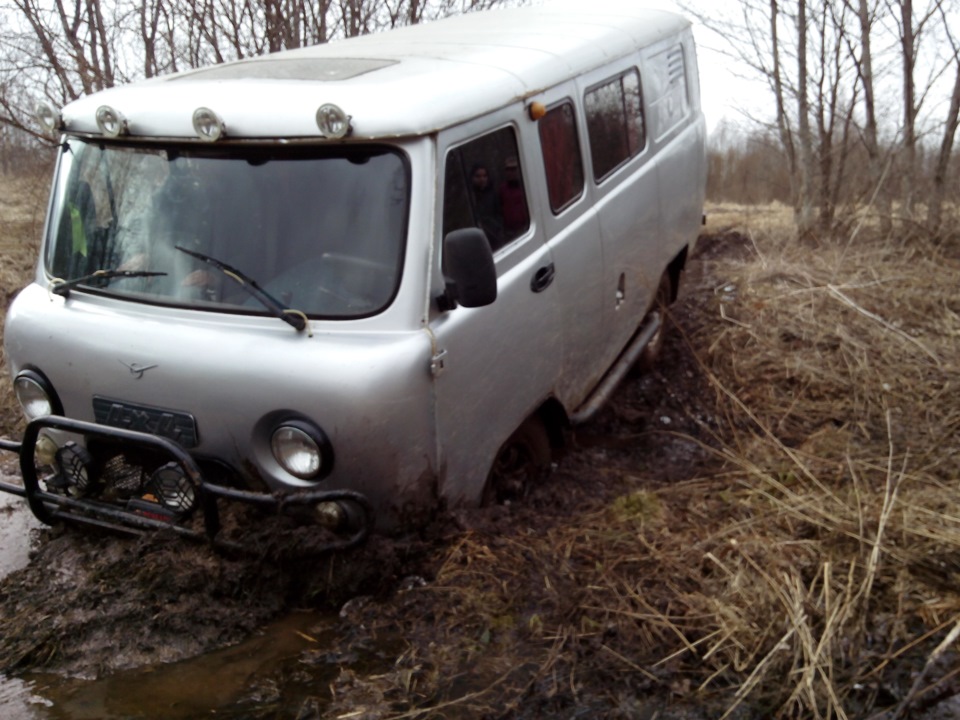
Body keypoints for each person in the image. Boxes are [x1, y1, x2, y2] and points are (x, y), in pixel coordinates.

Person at [470, 163, 503, 248]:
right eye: (478, 176)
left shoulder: (492, 194)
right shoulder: (469, 196)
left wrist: (495, 228)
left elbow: (499, 214)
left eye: (484, 176)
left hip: (493, 237)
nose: (482, 179)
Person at [499, 156, 529, 239]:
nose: (511, 172)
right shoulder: (502, 189)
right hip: (509, 232)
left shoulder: (525, 187)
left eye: (514, 169)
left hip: (526, 229)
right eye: (509, 170)